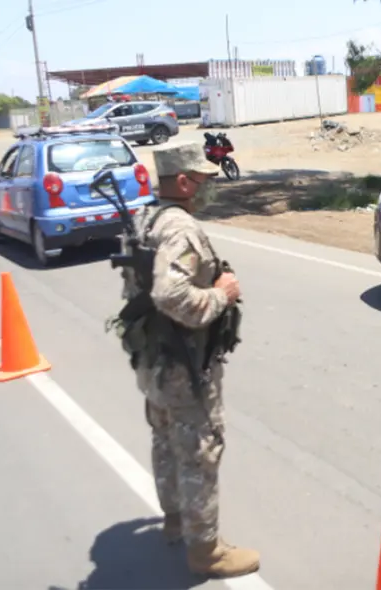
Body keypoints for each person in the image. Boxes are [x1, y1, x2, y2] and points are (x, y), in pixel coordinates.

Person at [114, 142, 259, 578]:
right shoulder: (179, 228)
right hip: (182, 364)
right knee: (199, 451)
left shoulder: (147, 217)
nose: (207, 187)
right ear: (183, 182)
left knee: (165, 441)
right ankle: (206, 550)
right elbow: (170, 294)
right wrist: (222, 294)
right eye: (202, 179)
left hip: (154, 360)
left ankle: (175, 520)